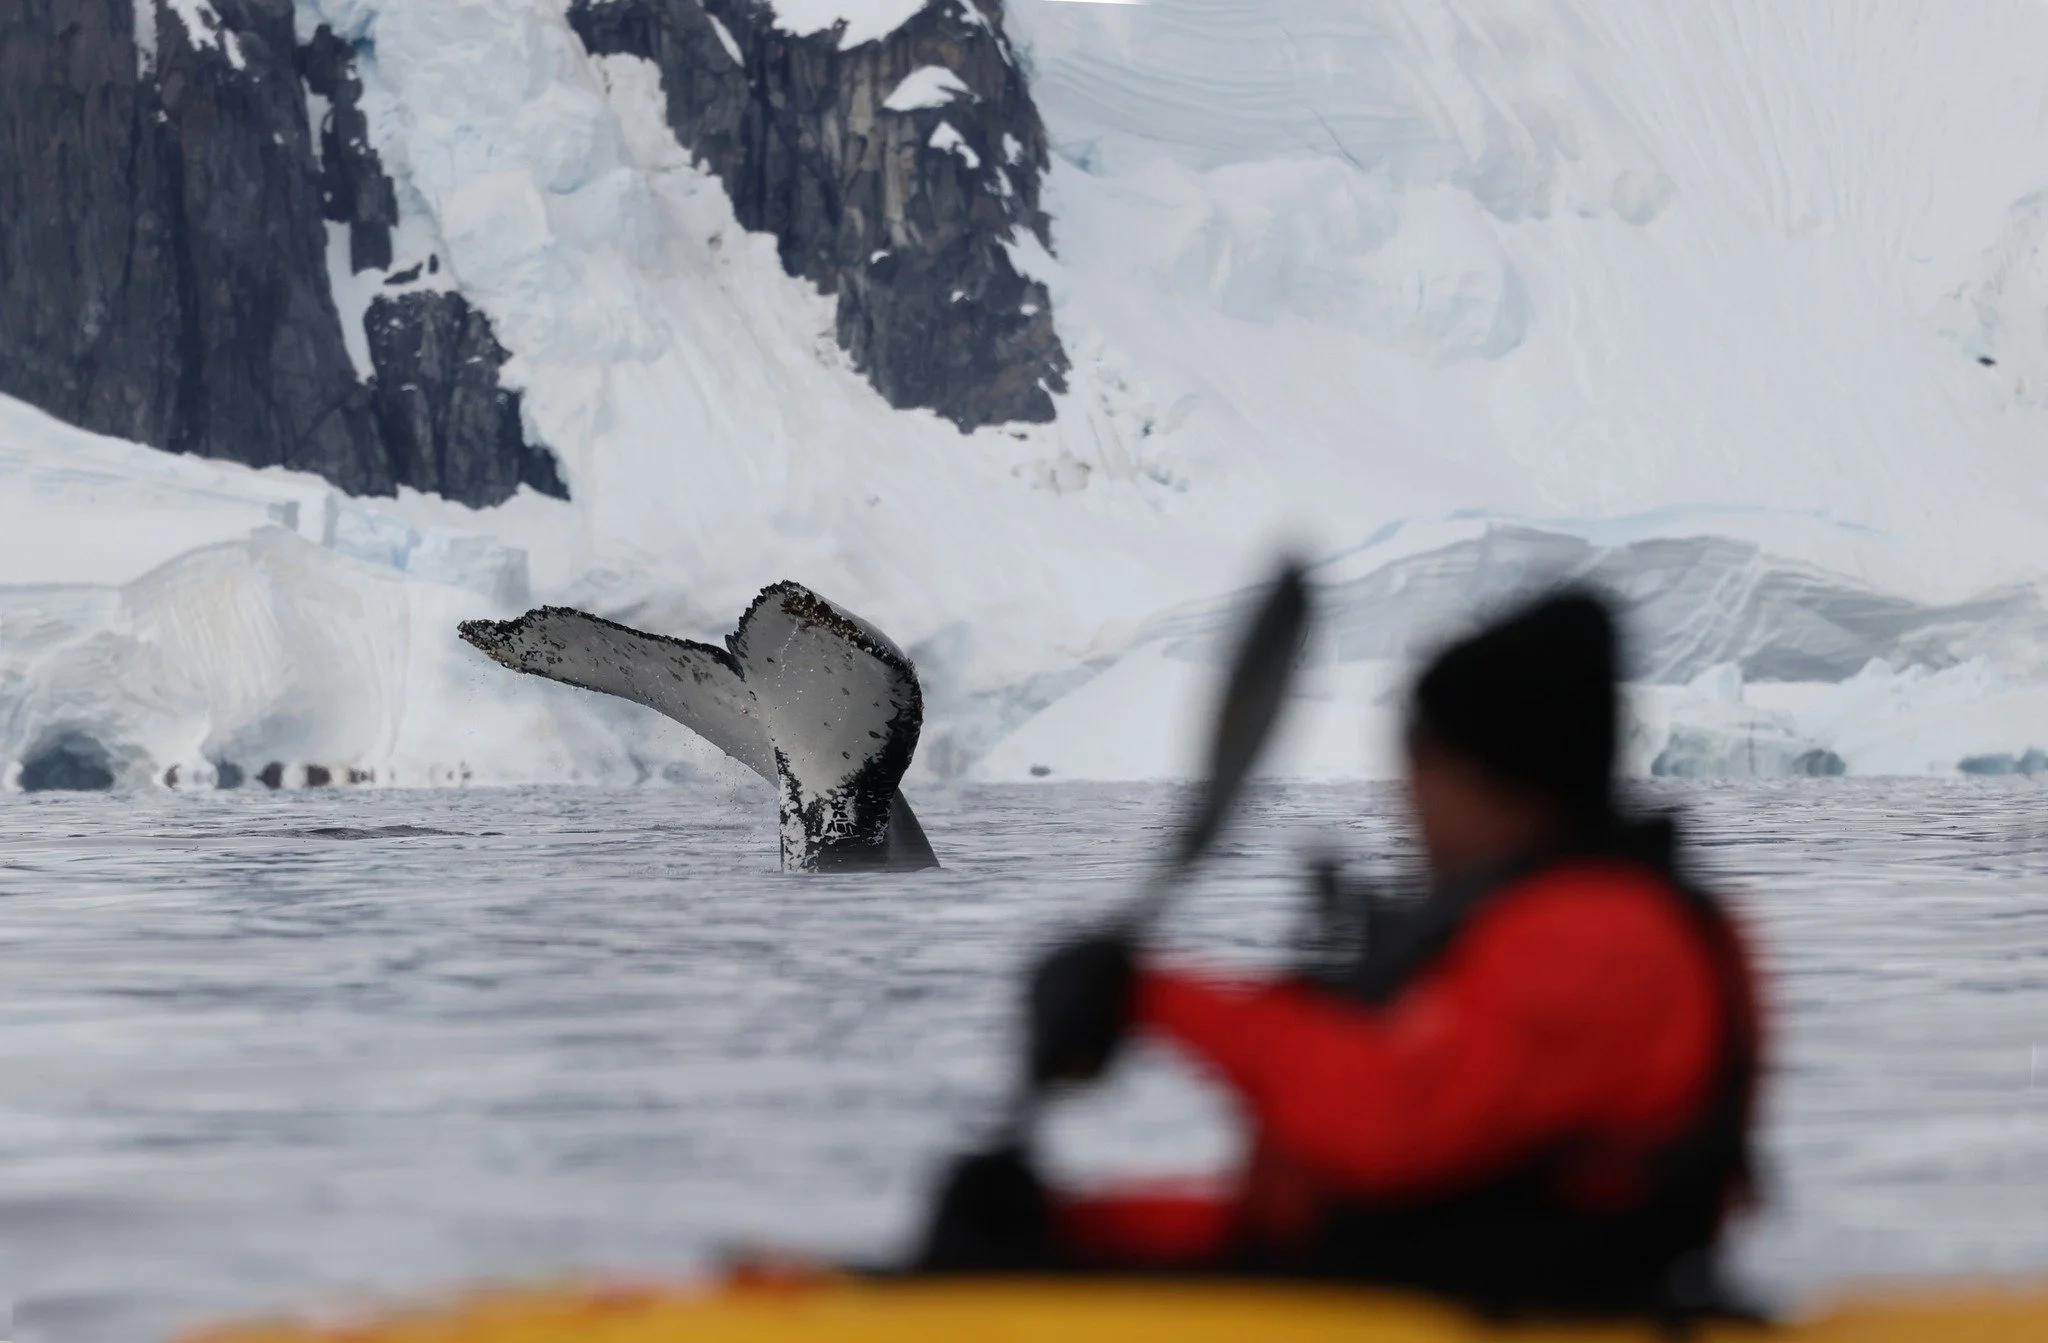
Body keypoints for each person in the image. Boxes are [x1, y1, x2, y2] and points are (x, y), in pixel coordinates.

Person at [916, 589, 1765, 1319]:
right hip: (1431, 1293)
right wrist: (1075, 1225)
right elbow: (1324, 1217)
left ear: (1487, 774)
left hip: (1543, 1309)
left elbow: (1389, 1121)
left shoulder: (1600, 936)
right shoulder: (1549, 923)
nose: (1407, 797)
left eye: (1421, 762)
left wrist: (1151, 996)